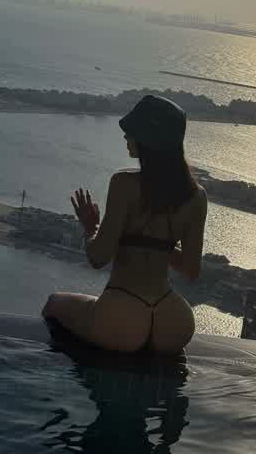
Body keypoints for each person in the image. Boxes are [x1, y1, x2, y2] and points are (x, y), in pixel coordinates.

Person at [42, 94, 208, 354]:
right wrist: (156, 246)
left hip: (121, 315)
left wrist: (90, 228)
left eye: (131, 132)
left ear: (147, 141)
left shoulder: (123, 184)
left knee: (53, 303)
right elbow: (190, 269)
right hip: (174, 320)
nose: (125, 137)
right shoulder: (196, 196)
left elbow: (98, 257)